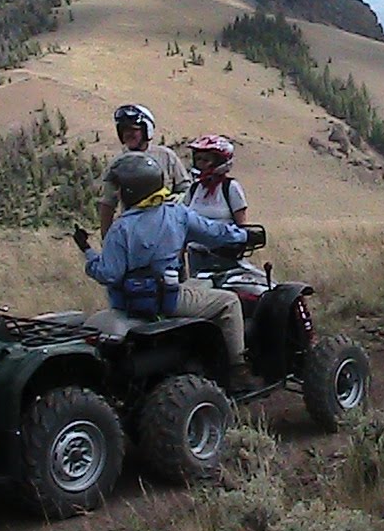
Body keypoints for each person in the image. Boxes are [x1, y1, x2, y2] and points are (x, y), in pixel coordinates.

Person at [73, 151, 263, 391]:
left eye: (120, 188)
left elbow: (108, 273)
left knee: (202, 285)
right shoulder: (177, 214)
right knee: (229, 302)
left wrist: (88, 252)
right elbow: (215, 233)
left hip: (130, 304)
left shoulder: (120, 228)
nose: (118, 194)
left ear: (131, 191)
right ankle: (238, 370)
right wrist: (245, 235)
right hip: (167, 300)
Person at [97, 103, 190, 237]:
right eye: (124, 130)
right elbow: (108, 204)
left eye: (133, 130)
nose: (128, 134)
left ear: (147, 130)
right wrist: (106, 239)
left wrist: (176, 203)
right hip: (134, 233)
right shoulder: (118, 164)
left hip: (167, 231)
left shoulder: (166, 156)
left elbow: (186, 189)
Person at [184, 134, 247, 225]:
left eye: (206, 160)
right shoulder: (194, 188)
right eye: (198, 159)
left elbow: (242, 226)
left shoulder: (230, 187)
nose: (201, 163)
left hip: (225, 238)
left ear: (220, 161)